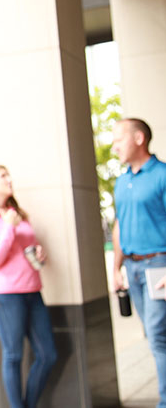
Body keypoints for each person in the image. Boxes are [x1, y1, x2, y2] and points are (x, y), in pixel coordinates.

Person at [0, 165, 56, 408]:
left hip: (32, 289)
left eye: (8, 175)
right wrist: (7, 226)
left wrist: (39, 252)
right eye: (2, 176)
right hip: (5, 295)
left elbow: (27, 247)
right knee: (14, 355)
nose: (9, 180)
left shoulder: (17, 213)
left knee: (48, 355)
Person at [111, 118, 166, 407]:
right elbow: (120, 225)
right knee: (154, 334)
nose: (114, 145)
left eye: (119, 138)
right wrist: (116, 267)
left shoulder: (162, 175)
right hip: (132, 269)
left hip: (159, 264)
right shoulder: (122, 181)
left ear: (139, 138)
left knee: (158, 335)